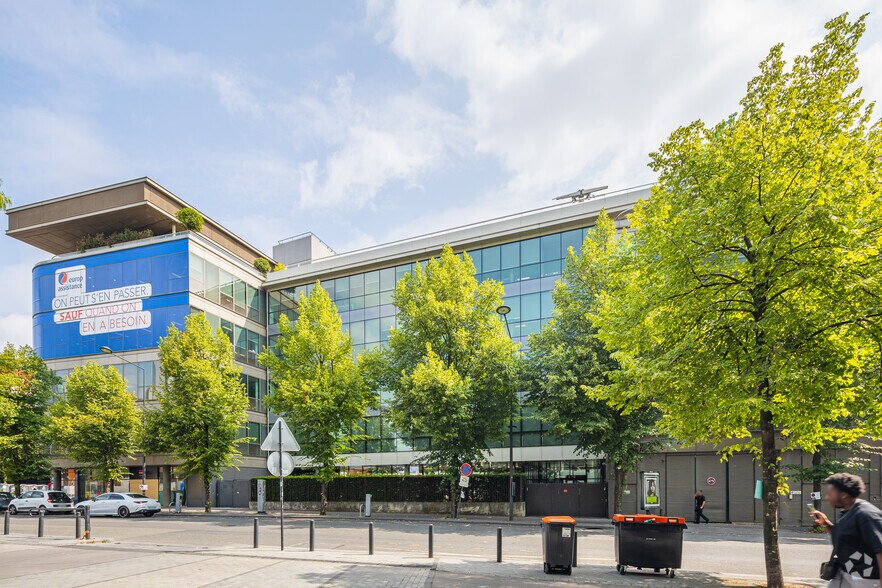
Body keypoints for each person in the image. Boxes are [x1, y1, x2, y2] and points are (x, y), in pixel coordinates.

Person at [810, 473, 882, 587]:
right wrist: (826, 523)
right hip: (845, 572)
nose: (826, 497)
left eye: (829, 494)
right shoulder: (846, 511)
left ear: (843, 495)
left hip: (866, 579)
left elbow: (880, 549)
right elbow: (845, 537)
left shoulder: (866, 515)